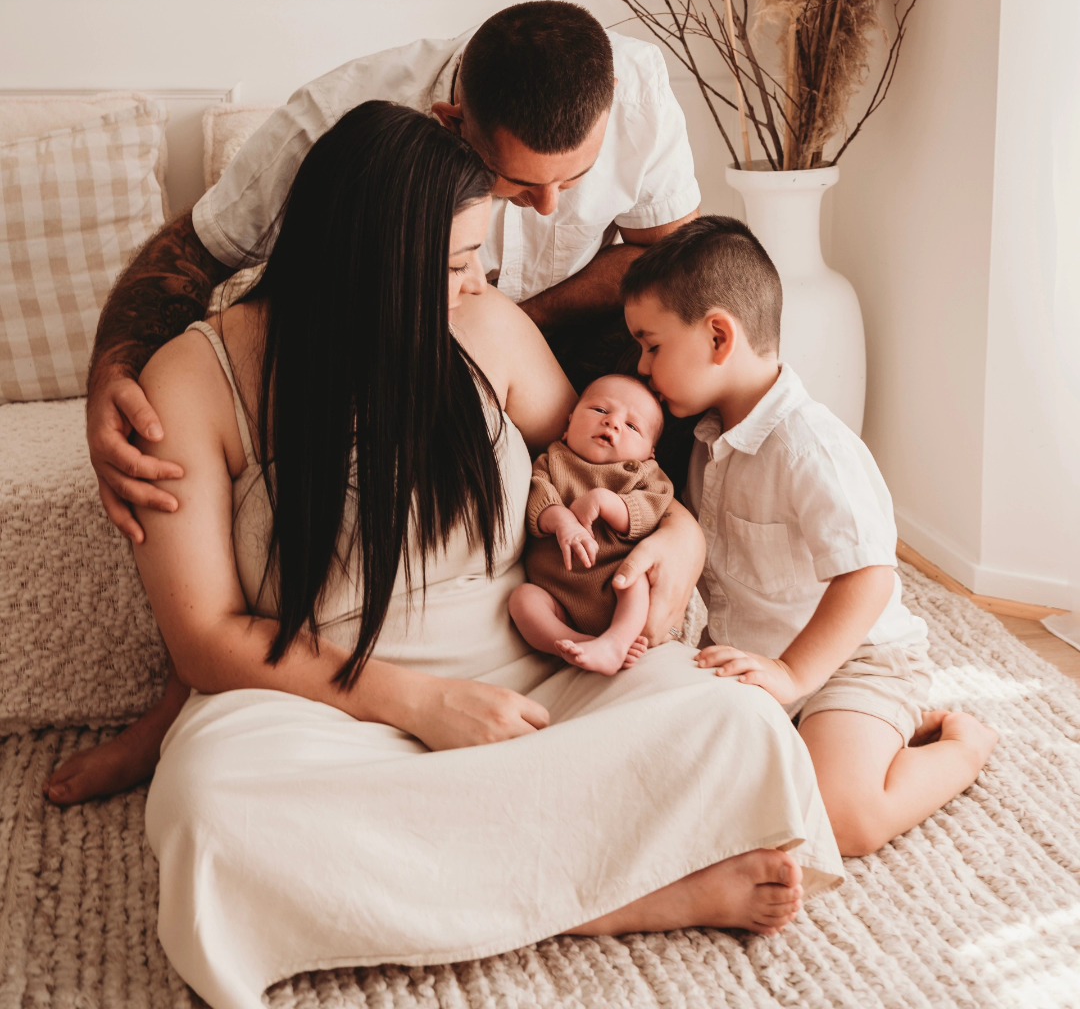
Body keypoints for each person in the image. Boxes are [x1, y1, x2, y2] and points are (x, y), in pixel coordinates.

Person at [105, 104, 839, 1008]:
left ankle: (460, 890)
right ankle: (602, 897)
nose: (476, 284)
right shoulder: (199, 375)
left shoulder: (485, 328)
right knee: (212, 812)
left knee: (739, 721)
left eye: (477, 260)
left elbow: (605, 458)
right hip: (318, 701)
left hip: (531, 670)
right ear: (366, 256)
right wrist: (420, 702)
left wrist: (681, 534)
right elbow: (205, 636)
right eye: (453, 265)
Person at [48, 0, 703, 805]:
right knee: (213, 806)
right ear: (453, 122)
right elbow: (190, 255)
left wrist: (680, 535)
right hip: (339, 685)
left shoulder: (493, 302)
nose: (550, 210)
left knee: (724, 727)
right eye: (519, 187)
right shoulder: (321, 132)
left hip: (572, 327)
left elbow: (604, 439)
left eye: (572, 180)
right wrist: (112, 375)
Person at [622, 216, 999, 858]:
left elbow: (871, 577)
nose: (640, 364)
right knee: (661, 760)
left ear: (719, 336)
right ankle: (840, 729)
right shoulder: (705, 438)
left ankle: (962, 743)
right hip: (757, 660)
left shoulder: (809, 446)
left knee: (842, 816)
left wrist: (795, 674)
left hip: (855, 660)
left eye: (652, 345)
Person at [510, 374, 679, 674]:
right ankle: (577, 642)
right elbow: (539, 496)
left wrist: (607, 501)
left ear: (650, 452)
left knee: (635, 581)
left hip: (611, 586)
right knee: (522, 601)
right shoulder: (553, 460)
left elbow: (652, 508)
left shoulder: (645, 475)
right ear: (568, 423)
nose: (612, 423)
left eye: (632, 426)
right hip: (555, 593)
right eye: (600, 410)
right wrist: (562, 520)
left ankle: (617, 638)